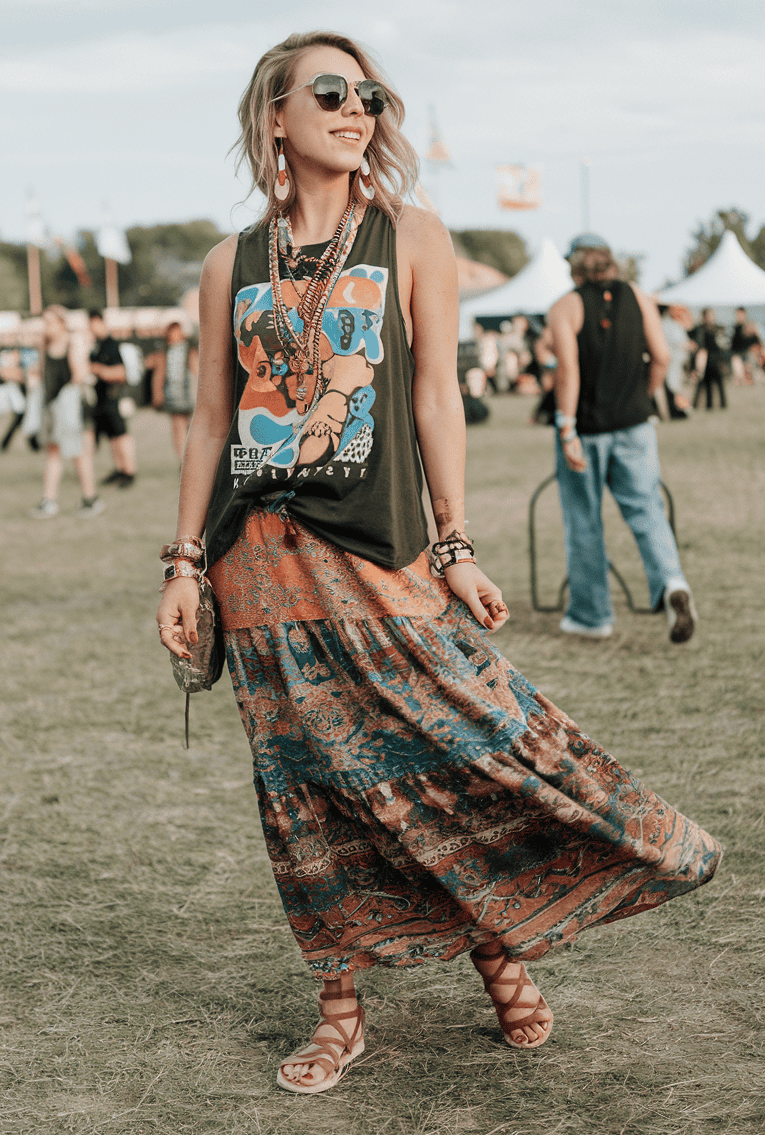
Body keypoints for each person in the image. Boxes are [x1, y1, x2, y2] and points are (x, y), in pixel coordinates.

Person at [156, 32, 720, 1095]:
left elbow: (434, 397)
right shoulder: (227, 261)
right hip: (258, 565)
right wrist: (185, 563)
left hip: (378, 556)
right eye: (330, 91)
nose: (356, 106)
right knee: (305, 794)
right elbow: (208, 421)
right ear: (275, 115)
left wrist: (453, 541)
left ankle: (502, 948)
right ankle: (339, 1010)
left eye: (369, 92)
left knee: (444, 760)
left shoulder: (408, 234)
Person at [546, 235, 697, 642]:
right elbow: (662, 357)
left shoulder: (565, 306)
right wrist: (644, 397)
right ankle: (672, 584)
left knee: (584, 521)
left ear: (575, 268)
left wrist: (565, 428)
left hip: (588, 430)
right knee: (647, 511)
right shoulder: (639, 297)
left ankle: (592, 616)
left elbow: (567, 374)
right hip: (635, 425)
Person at [30, 305, 105, 518]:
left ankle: (90, 500)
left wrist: (75, 346)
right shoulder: (44, 345)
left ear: (62, 323)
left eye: (50, 322)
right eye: (44, 322)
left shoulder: (74, 341)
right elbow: (42, 376)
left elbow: (79, 374)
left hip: (75, 408)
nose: (46, 327)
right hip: (53, 408)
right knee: (53, 453)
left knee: (80, 454)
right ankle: (48, 501)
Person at [88, 310, 138, 487]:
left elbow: (120, 373)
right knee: (111, 436)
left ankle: (130, 471)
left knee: (121, 434)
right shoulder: (95, 345)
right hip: (101, 400)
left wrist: (98, 370)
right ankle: (119, 469)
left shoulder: (112, 345)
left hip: (114, 398)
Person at [151, 321, 198, 460]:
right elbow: (159, 375)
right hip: (173, 395)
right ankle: (182, 459)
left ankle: (193, 457)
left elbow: (197, 371)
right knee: (178, 428)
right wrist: (157, 393)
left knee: (192, 427)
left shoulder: (189, 350)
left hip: (189, 394)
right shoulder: (164, 352)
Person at [659, 304, 694, 419]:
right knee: (673, 386)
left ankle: (679, 409)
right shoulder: (666, 324)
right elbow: (678, 341)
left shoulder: (673, 324)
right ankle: (675, 411)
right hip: (672, 361)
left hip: (677, 362)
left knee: (675, 386)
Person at [690, 308, 727, 410]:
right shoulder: (700, 329)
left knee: (719, 383)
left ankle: (723, 404)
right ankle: (707, 405)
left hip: (716, 359)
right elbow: (696, 342)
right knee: (706, 383)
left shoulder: (718, 329)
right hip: (704, 359)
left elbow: (723, 345)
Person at [730, 306, 762, 386]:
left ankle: (747, 376)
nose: (739, 316)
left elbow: (757, 342)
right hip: (739, 353)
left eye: (740, 314)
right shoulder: (735, 328)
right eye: (738, 315)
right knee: (737, 362)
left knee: (748, 360)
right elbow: (733, 345)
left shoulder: (750, 326)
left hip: (748, 353)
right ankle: (743, 377)